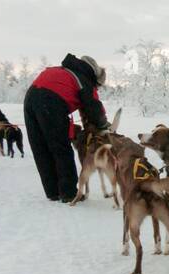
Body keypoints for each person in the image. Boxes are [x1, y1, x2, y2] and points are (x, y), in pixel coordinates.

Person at [23, 53, 109, 202]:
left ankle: (52, 191)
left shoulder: (64, 71)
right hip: (51, 101)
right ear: (96, 78)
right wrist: (103, 125)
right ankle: (68, 193)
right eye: (98, 86)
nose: (97, 89)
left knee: (40, 147)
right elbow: (93, 108)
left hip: (30, 98)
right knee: (60, 148)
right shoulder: (84, 80)